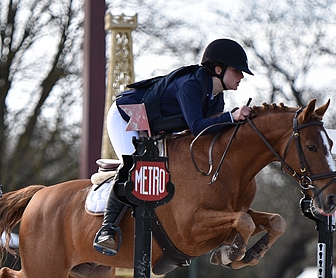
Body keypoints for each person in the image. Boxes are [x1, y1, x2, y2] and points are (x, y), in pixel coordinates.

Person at [93, 38, 254, 256]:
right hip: (129, 113)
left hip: (154, 124)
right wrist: (232, 117)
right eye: (237, 70)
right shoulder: (191, 85)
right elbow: (197, 127)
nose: (241, 76)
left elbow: (208, 133)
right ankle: (107, 229)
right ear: (218, 69)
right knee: (135, 166)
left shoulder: (216, 98)